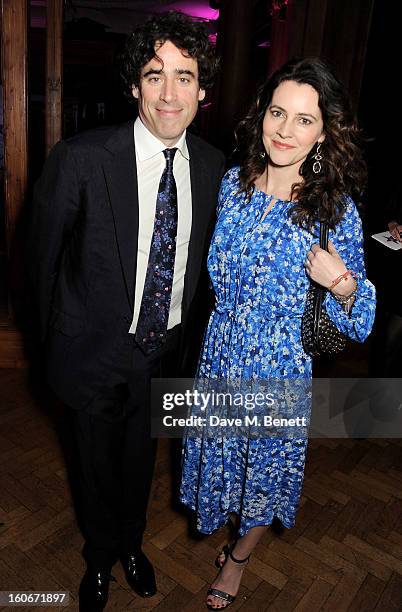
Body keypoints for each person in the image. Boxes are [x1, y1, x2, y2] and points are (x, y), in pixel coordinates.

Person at [28, 11, 224, 611]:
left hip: (163, 356)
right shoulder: (81, 158)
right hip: (90, 353)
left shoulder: (217, 169)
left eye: (185, 76)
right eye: (155, 74)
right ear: (134, 85)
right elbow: (37, 266)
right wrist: (49, 358)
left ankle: (132, 545)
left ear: (202, 90)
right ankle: (97, 558)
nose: (170, 92)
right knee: (92, 468)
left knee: (141, 464)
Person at [180, 57, 376, 609]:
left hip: (278, 365)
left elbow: (359, 320)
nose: (285, 130)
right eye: (277, 112)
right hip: (220, 357)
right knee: (224, 467)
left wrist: (339, 282)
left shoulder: (333, 212)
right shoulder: (232, 188)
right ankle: (231, 539)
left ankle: (239, 559)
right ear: (261, 115)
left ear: (324, 132)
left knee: (265, 477)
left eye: (305, 120)